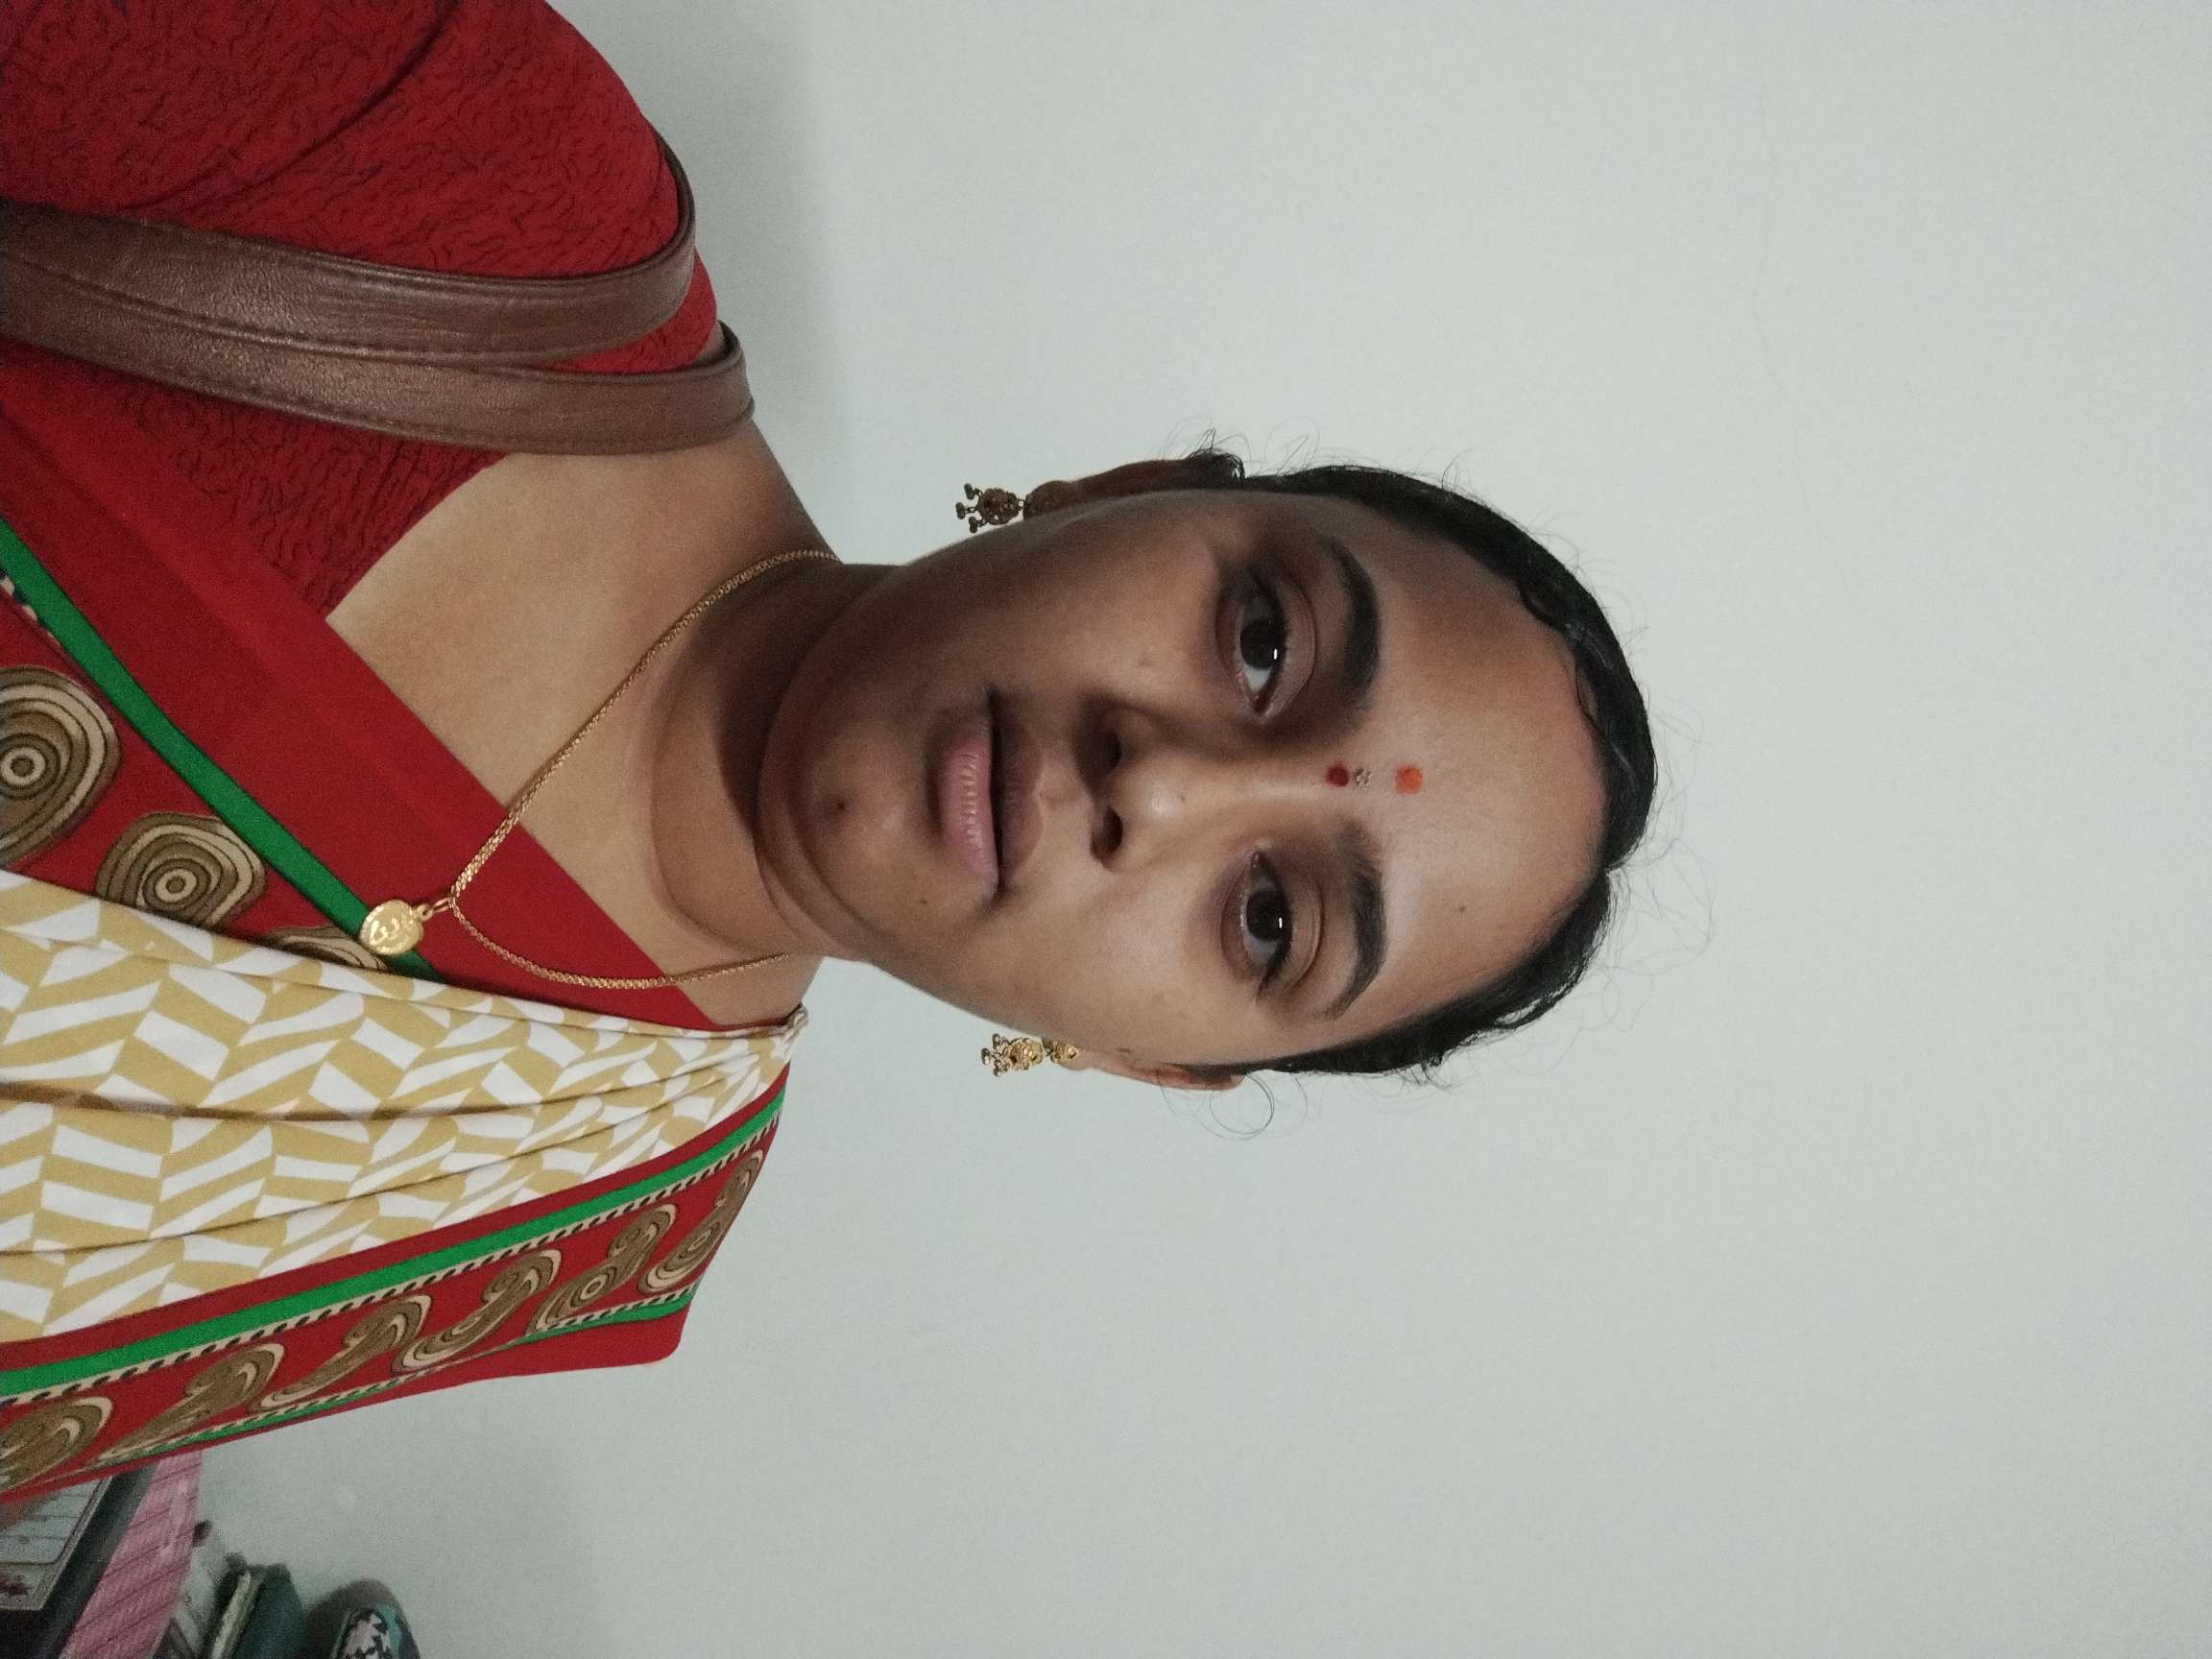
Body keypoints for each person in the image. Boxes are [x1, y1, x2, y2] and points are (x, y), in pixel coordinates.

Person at [0, 0, 1654, 1501]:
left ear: (1153, 1059)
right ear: (1120, 488)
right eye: (1267, 642)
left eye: (1273, 920)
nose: (1159, 786)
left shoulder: (593, 1226)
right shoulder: (474, 205)